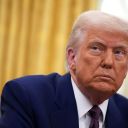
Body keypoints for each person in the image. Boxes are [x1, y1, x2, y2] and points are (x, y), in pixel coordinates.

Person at [0, 10, 128, 128]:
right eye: (96, 48)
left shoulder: (125, 112)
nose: (109, 62)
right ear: (72, 58)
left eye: (119, 52)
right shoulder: (27, 97)